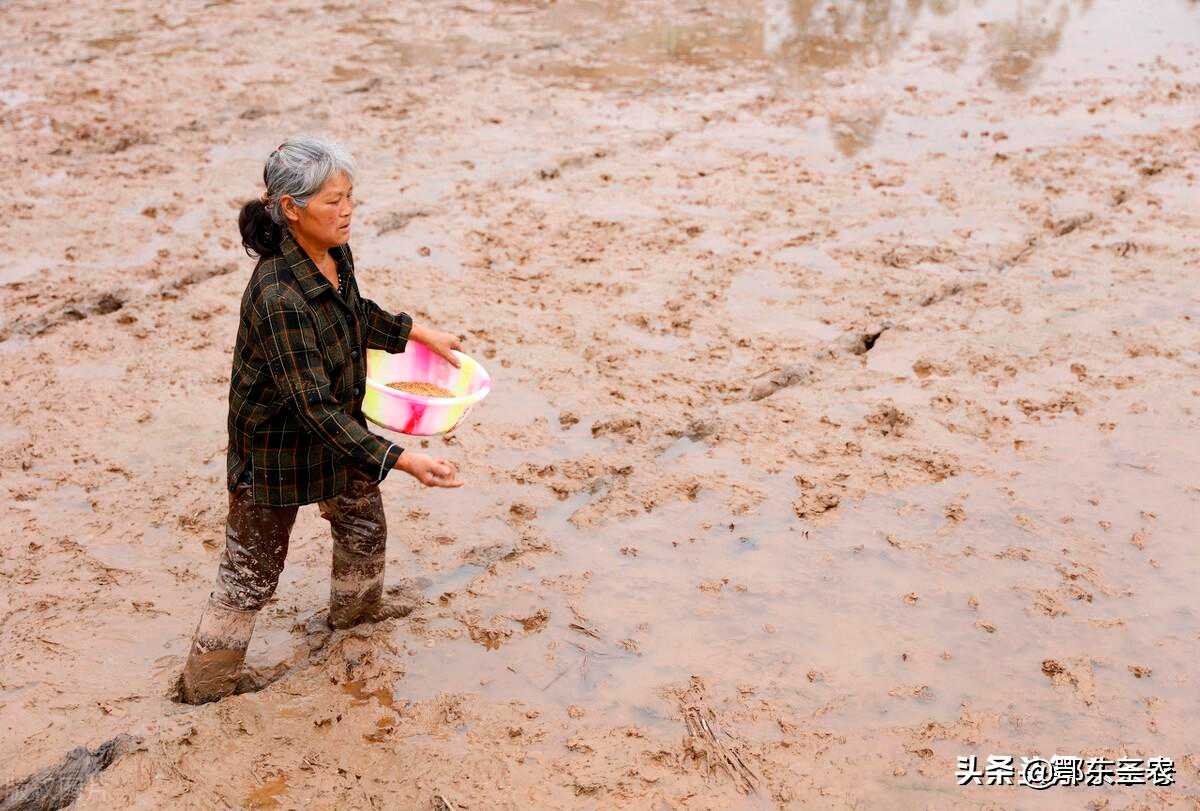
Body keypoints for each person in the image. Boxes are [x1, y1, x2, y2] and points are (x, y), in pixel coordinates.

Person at [178, 136, 463, 705]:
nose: (347, 211)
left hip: (338, 435)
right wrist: (401, 458)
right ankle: (203, 689)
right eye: (332, 201)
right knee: (249, 576)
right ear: (290, 208)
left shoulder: (335, 255)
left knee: (363, 529)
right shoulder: (277, 295)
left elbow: (354, 313)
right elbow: (310, 406)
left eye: (350, 197)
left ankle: (354, 626)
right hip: (276, 451)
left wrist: (417, 332)